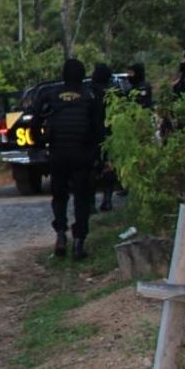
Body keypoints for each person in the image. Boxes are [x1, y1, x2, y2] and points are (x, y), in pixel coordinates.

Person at [32, 58, 104, 260]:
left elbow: (35, 121)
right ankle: (79, 242)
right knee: (82, 198)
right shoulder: (91, 95)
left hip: (58, 153)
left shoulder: (50, 94)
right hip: (83, 154)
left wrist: (40, 144)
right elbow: (100, 130)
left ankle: (61, 233)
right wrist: (99, 156)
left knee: (59, 195)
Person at [89, 63, 119, 212]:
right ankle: (107, 201)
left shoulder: (90, 92)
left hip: (92, 137)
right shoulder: (112, 93)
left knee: (92, 170)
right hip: (110, 136)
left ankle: (91, 204)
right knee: (108, 168)